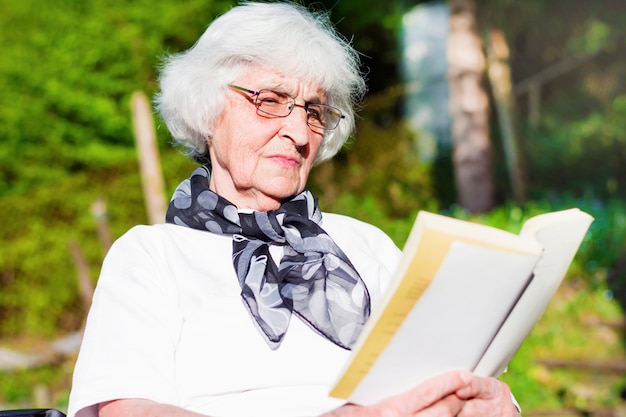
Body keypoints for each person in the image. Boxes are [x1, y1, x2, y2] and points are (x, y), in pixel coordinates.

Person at [67, 2, 521, 417]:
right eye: (270, 101)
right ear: (208, 110)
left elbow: (440, 373)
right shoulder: (152, 255)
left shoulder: (367, 245)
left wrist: (489, 402)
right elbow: (128, 411)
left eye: (314, 111)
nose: (299, 133)